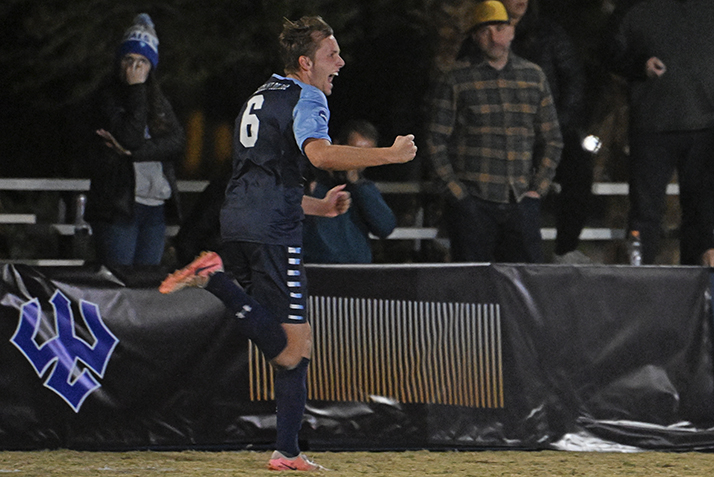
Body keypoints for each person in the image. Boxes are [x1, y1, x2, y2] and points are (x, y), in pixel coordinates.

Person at [159, 16, 416, 471]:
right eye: (331, 54)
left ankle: (288, 452)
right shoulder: (308, 95)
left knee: (298, 343)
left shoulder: (261, 95)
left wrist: (319, 208)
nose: (340, 61)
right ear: (305, 62)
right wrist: (388, 156)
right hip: (273, 231)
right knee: (293, 350)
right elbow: (319, 153)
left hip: (239, 219)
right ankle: (215, 280)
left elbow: (266, 178)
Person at [428, 0, 563, 263]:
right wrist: (457, 193)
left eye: (499, 28)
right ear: (476, 37)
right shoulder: (456, 78)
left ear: (512, 30)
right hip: (474, 202)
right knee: (473, 286)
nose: (493, 36)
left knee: (525, 286)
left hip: (520, 200)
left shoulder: (533, 77)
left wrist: (538, 190)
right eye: (484, 30)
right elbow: (435, 140)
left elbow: (552, 139)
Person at [609, 0, 714, 265]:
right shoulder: (634, 9)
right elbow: (609, 54)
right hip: (651, 127)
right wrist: (639, 66)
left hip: (705, 127)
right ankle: (641, 289)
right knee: (645, 214)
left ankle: (698, 292)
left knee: (702, 216)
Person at [85, 13, 184, 267]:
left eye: (142, 61)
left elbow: (176, 141)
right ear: (119, 62)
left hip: (154, 207)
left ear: (152, 65)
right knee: (120, 284)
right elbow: (129, 137)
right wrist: (136, 89)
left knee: (147, 287)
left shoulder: (159, 100)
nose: (135, 68)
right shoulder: (107, 97)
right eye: (128, 59)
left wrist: (135, 154)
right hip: (118, 207)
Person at [500, 0, 593, 264]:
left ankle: (565, 250)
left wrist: (556, 125)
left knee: (579, 171)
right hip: (504, 136)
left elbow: (573, 81)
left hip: (550, 130)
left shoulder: (549, 33)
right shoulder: (482, 35)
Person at [303, 119, 397, 263]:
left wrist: (358, 185)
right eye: (355, 152)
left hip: (356, 272)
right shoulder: (310, 180)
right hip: (318, 269)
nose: (359, 161)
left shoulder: (363, 188)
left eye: (366, 156)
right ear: (338, 146)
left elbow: (385, 227)